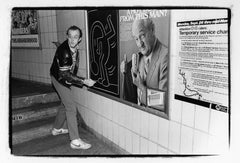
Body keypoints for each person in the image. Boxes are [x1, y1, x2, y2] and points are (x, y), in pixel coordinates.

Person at [50, 25, 95, 149]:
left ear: (80, 39)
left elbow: (71, 67)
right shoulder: (65, 51)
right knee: (71, 107)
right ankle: (75, 140)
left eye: (75, 37)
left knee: (64, 104)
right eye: (70, 37)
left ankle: (57, 129)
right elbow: (64, 74)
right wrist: (84, 81)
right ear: (67, 37)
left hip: (61, 76)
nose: (72, 40)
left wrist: (76, 78)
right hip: (59, 78)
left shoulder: (73, 47)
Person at [121, 18, 168, 106]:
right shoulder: (139, 57)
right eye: (136, 39)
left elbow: (163, 102)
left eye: (142, 36)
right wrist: (125, 73)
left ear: (152, 30)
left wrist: (141, 86)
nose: (139, 44)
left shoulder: (165, 57)